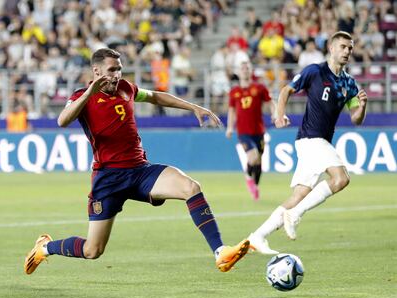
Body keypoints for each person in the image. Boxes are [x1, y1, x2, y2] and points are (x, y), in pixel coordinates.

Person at [24, 48, 249, 275]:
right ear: (96, 71)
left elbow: (154, 96)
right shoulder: (82, 96)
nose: (117, 75)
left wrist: (193, 107)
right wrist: (88, 93)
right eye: (111, 70)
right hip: (109, 177)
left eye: (119, 69)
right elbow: (63, 120)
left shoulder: (125, 88)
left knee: (191, 187)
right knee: (93, 250)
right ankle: (45, 247)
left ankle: (220, 251)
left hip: (140, 171)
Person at [246, 31, 368, 254]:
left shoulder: (349, 84)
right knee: (341, 178)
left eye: (350, 48)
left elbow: (356, 120)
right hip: (311, 139)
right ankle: (294, 214)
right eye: (343, 47)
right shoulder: (315, 71)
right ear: (331, 48)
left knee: (299, 194)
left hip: (313, 142)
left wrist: (362, 106)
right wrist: (279, 114)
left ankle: (258, 236)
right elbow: (286, 90)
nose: (347, 52)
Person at [226, 61, 276, 201]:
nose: (245, 71)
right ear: (239, 72)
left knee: (258, 162)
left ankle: (255, 185)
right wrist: (230, 127)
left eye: (247, 68)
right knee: (252, 157)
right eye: (242, 68)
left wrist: (275, 114)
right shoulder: (234, 92)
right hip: (243, 131)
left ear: (251, 71)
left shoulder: (259, 88)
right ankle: (248, 177)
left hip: (259, 131)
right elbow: (231, 111)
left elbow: (270, 102)